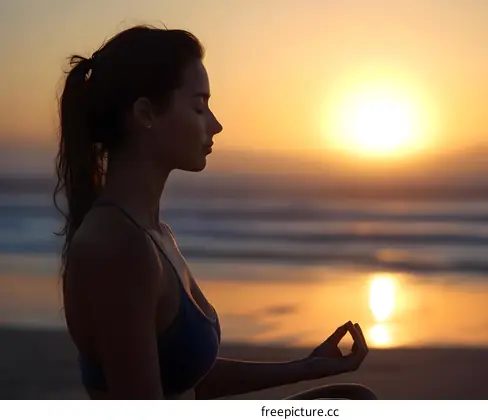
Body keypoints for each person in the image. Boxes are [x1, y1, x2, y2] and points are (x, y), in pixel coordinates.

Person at [54, 24, 376, 400]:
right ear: (146, 114)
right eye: (199, 105)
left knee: (351, 400)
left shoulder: (154, 234)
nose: (216, 124)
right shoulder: (118, 246)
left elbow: (184, 377)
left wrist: (307, 367)